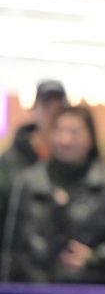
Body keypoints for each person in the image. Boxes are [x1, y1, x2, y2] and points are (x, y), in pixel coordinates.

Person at [1, 105, 105, 285]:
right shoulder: (29, 182)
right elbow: (11, 245)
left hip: (90, 289)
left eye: (74, 132)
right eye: (59, 131)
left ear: (91, 138)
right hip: (35, 288)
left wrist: (96, 257)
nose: (65, 140)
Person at [0, 80, 67, 237]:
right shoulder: (10, 161)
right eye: (47, 106)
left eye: (59, 109)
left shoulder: (70, 160)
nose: (53, 114)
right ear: (34, 110)